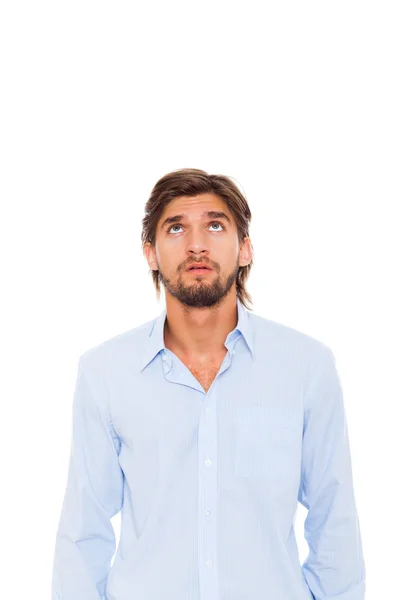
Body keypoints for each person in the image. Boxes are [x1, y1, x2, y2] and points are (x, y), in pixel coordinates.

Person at [51, 168, 366, 600]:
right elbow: (83, 532)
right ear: (151, 254)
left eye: (215, 225)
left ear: (245, 249)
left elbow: (335, 523)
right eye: (176, 227)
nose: (196, 244)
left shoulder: (307, 366)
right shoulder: (105, 372)